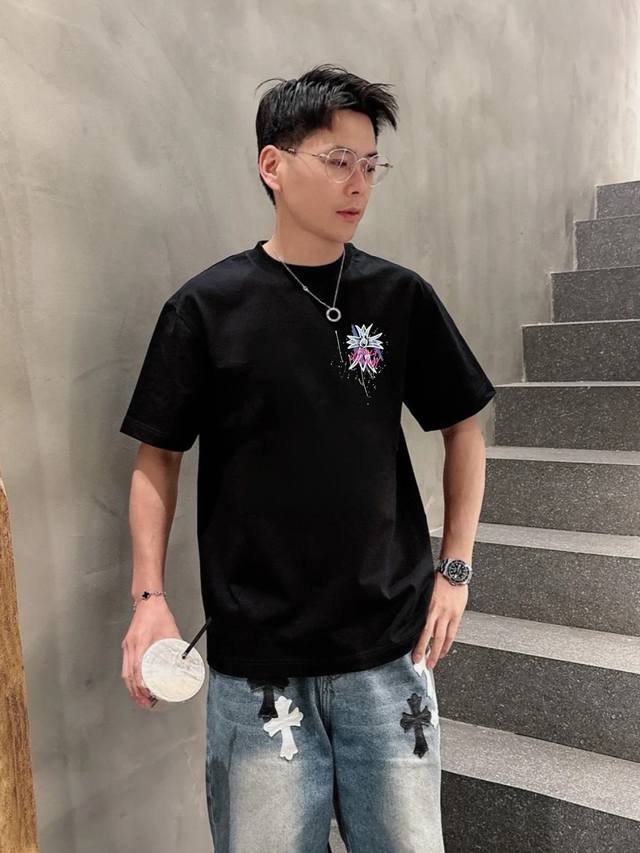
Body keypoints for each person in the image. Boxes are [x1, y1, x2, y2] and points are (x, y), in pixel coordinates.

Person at [119, 63, 496, 853]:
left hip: (389, 657)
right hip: (259, 669)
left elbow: (464, 426)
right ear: (273, 164)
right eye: (337, 160)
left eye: (371, 165)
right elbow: (158, 458)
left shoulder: (398, 297)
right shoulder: (206, 308)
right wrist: (149, 596)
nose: (358, 183)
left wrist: (456, 568)